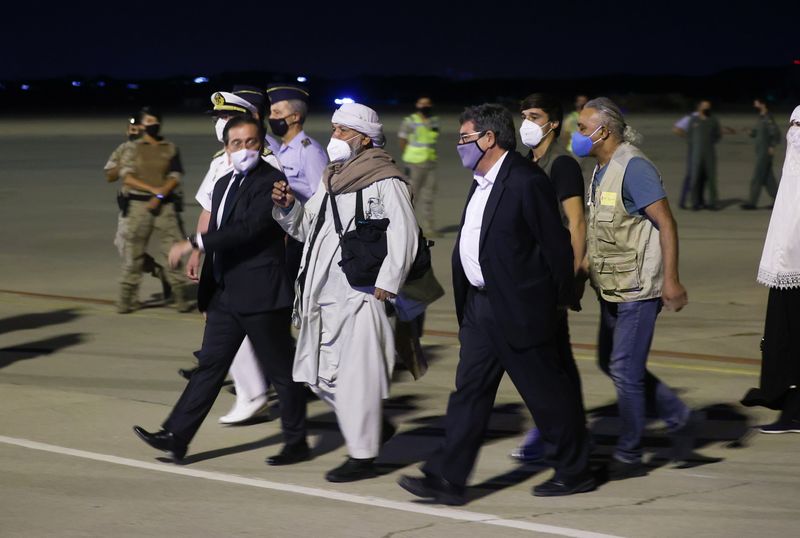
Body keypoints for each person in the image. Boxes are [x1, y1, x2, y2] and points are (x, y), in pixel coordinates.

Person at [398, 103, 594, 505]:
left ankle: (576, 471)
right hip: (481, 310)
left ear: (488, 139)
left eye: (465, 138)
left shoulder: (525, 181)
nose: (459, 146)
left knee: (546, 396)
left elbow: (555, 247)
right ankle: (447, 478)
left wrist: (556, 303)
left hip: (521, 309)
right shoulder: (482, 179)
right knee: (469, 393)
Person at [133, 115, 308, 464]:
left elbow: (248, 229)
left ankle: (296, 441)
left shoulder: (271, 181)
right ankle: (176, 436)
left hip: (261, 293)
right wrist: (204, 261)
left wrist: (193, 243)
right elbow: (219, 225)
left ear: (261, 145)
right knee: (210, 365)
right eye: (237, 144)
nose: (244, 150)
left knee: (281, 369)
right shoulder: (224, 181)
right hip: (226, 292)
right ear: (226, 148)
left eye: (251, 143)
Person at [272, 102, 418, 482]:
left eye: (341, 131)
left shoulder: (386, 180)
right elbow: (306, 229)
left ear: (363, 139)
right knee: (318, 376)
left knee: (357, 379)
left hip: (362, 296)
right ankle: (371, 424)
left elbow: (405, 233)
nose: (333, 137)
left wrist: (388, 284)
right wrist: (287, 208)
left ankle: (363, 454)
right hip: (323, 295)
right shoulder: (332, 179)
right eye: (333, 129)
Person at [576, 97, 701, 479]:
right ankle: (680, 417)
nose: (577, 135)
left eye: (582, 128)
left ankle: (630, 454)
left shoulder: (634, 167)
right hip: (612, 284)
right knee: (612, 363)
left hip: (638, 288)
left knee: (625, 371)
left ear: (604, 131)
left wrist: (672, 279)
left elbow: (667, 223)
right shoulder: (601, 169)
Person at [182, 88, 283, 425]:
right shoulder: (219, 160)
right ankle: (253, 392)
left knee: (260, 336)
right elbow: (209, 208)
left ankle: (257, 394)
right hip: (223, 257)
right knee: (230, 330)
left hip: (252, 262)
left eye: (226, 117)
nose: (220, 123)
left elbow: (267, 221)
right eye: (218, 118)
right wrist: (199, 250)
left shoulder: (265, 160)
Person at [511, 93, 588, 462]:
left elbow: (575, 223)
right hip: (532, 275)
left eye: (535, 115)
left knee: (546, 362)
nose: (526, 121)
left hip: (550, 277)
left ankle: (554, 434)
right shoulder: (529, 162)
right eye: (524, 114)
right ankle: (566, 429)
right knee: (556, 360)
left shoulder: (562, 165)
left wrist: (571, 275)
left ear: (553, 123)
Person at [741, 106, 800, 432]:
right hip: (788, 261)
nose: (794, 131)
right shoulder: (793, 180)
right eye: (792, 124)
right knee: (782, 332)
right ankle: (782, 396)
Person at [116, 107, 191, 313]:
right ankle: (126, 298)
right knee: (134, 253)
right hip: (138, 206)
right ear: (141, 125)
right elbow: (127, 176)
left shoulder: (170, 147)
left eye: (155, 120)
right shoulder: (132, 148)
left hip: (165, 206)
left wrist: (159, 195)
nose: (152, 124)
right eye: (148, 120)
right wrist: (153, 191)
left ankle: (179, 295)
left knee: (172, 251)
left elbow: (175, 176)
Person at [105, 115, 172, 301]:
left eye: (138, 130)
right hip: (129, 207)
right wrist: (122, 165)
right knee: (124, 247)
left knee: (131, 250)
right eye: (131, 130)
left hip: (154, 204)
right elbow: (109, 176)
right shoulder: (122, 149)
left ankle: (130, 296)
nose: (134, 133)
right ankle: (160, 273)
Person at [266, 83, 328, 281]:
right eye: (271, 112)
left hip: (302, 236)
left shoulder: (309, 151)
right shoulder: (282, 149)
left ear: (295, 117)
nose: (272, 117)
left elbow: (323, 197)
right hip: (287, 231)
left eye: (277, 112)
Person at [398, 96, 440, 236]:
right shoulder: (409, 122)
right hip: (414, 164)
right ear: (417, 105)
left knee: (429, 198)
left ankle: (429, 229)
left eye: (427, 104)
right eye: (422, 104)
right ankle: (406, 228)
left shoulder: (434, 121)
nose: (425, 106)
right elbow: (402, 140)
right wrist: (409, 155)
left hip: (430, 163)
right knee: (411, 197)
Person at [741, 97, 781, 210]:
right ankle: (778, 201)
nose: (755, 105)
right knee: (768, 179)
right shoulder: (761, 118)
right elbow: (758, 133)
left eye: (756, 103)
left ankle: (752, 202)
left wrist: (772, 146)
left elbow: (775, 134)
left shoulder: (768, 118)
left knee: (757, 177)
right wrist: (750, 132)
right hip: (760, 152)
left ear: (762, 104)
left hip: (765, 153)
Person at [686, 100, 722, 210]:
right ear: (699, 107)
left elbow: (718, 135)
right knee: (695, 178)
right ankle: (695, 202)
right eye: (704, 106)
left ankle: (713, 202)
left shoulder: (713, 120)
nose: (707, 108)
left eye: (708, 107)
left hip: (709, 153)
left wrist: (709, 142)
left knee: (711, 178)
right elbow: (689, 136)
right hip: (696, 153)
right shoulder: (693, 120)